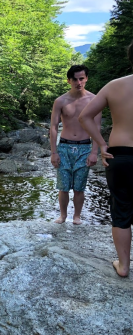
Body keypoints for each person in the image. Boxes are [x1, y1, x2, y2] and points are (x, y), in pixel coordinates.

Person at [79, 40, 133, 277]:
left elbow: (85, 116)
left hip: (120, 155)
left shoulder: (114, 86)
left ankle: (123, 266)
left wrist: (101, 144)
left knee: (121, 210)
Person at [50, 65, 101, 225]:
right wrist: (53, 152)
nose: (79, 82)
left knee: (80, 187)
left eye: (82, 78)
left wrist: (94, 152)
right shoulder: (60, 101)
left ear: (86, 78)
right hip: (64, 146)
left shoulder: (94, 100)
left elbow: (97, 127)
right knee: (63, 186)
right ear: (69, 80)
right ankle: (63, 215)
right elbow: (53, 126)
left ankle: (77, 216)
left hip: (84, 146)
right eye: (75, 79)